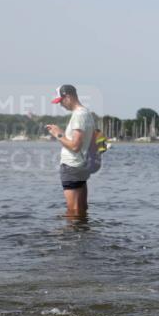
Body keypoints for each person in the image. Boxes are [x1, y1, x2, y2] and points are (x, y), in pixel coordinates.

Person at [44, 84, 95, 218]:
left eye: (61, 101)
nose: (60, 105)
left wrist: (58, 134)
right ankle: (83, 235)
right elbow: (92, 143)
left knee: (73, 211)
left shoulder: (78, 115)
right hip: (81, 166)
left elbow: (75, 146)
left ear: (68, 96)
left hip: (71, 166)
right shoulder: (87, 113)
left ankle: (72, 238)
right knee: (82, 209)